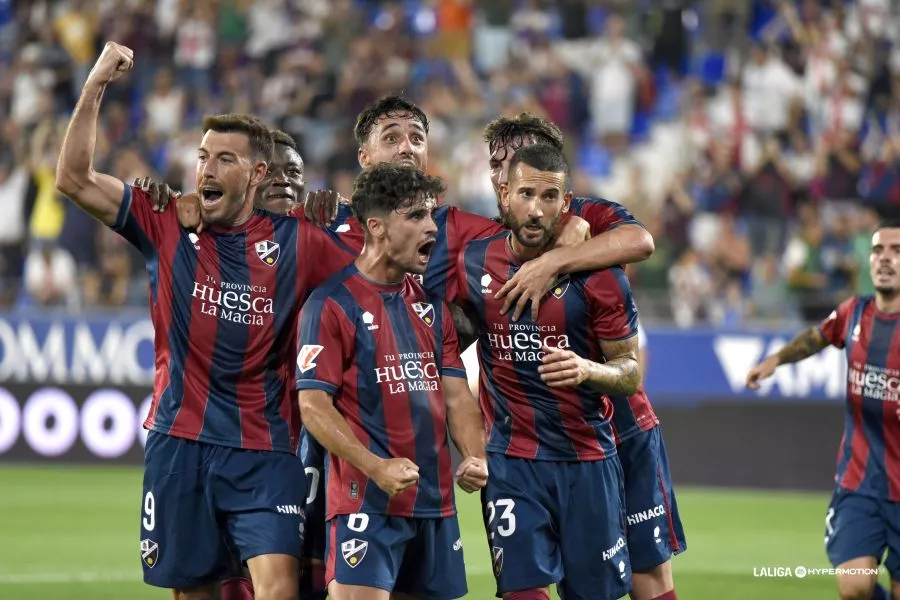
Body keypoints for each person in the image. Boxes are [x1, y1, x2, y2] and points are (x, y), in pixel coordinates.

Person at [55, 42, 356, 600]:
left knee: (277, 589)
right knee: (192, 591)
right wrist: (96, 83)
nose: (206, 169)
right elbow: (73, 178)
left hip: (265, 449)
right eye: (202, 157)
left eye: (224, 159)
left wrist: (340, 213)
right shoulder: (165, 219)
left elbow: (382, 264)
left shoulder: (301, 243)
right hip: (178, 442)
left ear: (257, 172)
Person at [481, 115, 686, 600]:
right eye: (496, 164)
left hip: (621, 427)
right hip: (539, 443)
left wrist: (554, 260)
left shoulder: (587, 214)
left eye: (513, 158)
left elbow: (641, 241)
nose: (501, 171)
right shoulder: (487, 236)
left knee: (645, 573)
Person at [455, 144, 640, 600]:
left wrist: (587, 368)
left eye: (549, 196)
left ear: (567, 201)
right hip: (511, 463)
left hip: (587, 461)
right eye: (525, 194)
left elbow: (630, 373)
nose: (536, 209)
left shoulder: (600, 277)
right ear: (504, 193)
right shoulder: (472, 263)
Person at [295, 164, 488, 600]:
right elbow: (313, 407)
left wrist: (476, 456)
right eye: (417, 216)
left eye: (432, 216)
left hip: (436, 507)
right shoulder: (330, 304)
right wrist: (376, 466)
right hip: (367, 505)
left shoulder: (432, 308)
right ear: (377, 227)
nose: (431, 229)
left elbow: (457, 398)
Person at [746, 220, 900, 600]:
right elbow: (818, 336)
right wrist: (776, 360)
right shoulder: (855, 312)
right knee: (853, 587)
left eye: (896, 252)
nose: (885, 259)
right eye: (878, 250)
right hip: (859, 482)